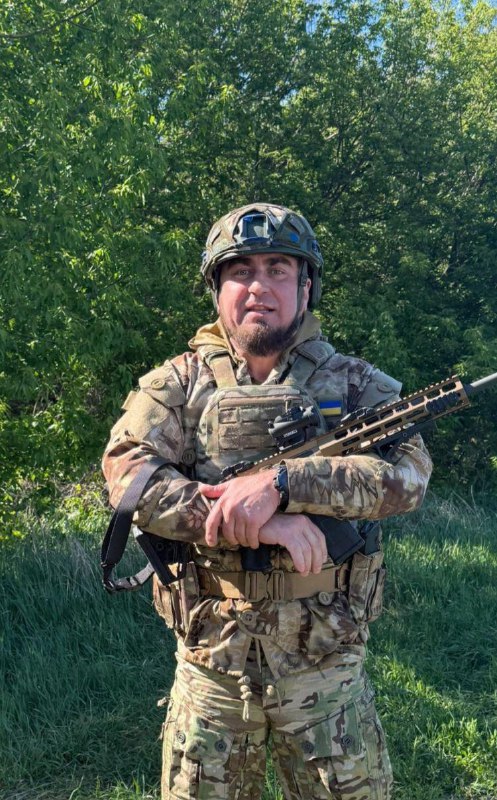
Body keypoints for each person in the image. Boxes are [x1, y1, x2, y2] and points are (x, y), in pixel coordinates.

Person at [102, 203, 432, 800]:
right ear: (218, 290)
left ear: (305, 287)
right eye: (241, 271)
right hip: (211, 672)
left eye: (278, 269)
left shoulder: (354, 384)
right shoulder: (178, 385)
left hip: (326, 670)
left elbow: (407, 478)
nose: (259, 286)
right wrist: (248, 520)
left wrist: (285, 485)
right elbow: (126, 476)